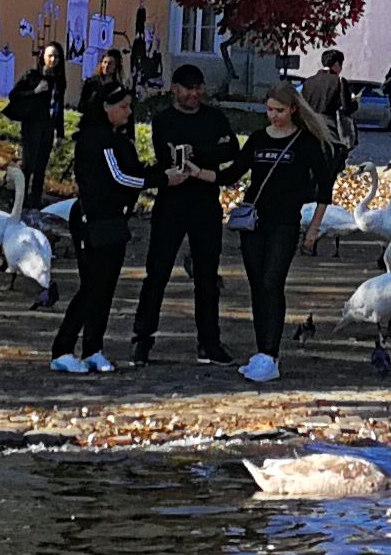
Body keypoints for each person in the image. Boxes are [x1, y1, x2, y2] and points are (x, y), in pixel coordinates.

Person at [229, 84, 340, 381]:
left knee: (272, 282)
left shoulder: (305, 143)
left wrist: (314, 227)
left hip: (285, 223)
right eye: (269, 110)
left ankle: (271, 353)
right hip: (254, 222)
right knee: (256, 285)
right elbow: (234, 172)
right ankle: (261, 350)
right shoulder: (257, 139)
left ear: (293, 109)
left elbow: (325, 187)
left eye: (279, 110)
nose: (273, 116)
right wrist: (200, 171)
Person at [132, 64, 236, 365]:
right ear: (175, 89)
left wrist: (198, 153)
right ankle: (142, 338)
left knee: (207, 276)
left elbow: (229, 149)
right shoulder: (163, 119)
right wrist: (195, 154)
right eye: (188, 88)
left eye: (198, 87)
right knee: (157, 273)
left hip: (205, 203)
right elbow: (166, 155)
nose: (195, 94)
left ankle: (209, 341)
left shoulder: (214, 117)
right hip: (171, 204)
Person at [51, 82, 146, 372]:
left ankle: (94, 347)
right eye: (123, 107)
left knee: (105, 288)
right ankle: (63, 349)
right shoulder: (95, 139)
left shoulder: (116, 139)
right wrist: (160, 179)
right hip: (92, 221)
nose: (128, 113)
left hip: (113, 221)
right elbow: (120, 177)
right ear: (106, 108)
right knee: (91, 287)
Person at [8, 41, 70, 213]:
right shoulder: (33, 76)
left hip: (48, 126)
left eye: (56, 56)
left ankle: (35, 199)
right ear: (43, 57)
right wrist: (34, 91)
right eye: (50, 55)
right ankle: (20, 200)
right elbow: (14, 95)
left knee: (41, 166)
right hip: (32, 124)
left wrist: (60, 132)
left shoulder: (58, 81)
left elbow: (58, 107)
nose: (53, 59)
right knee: (28, 165)